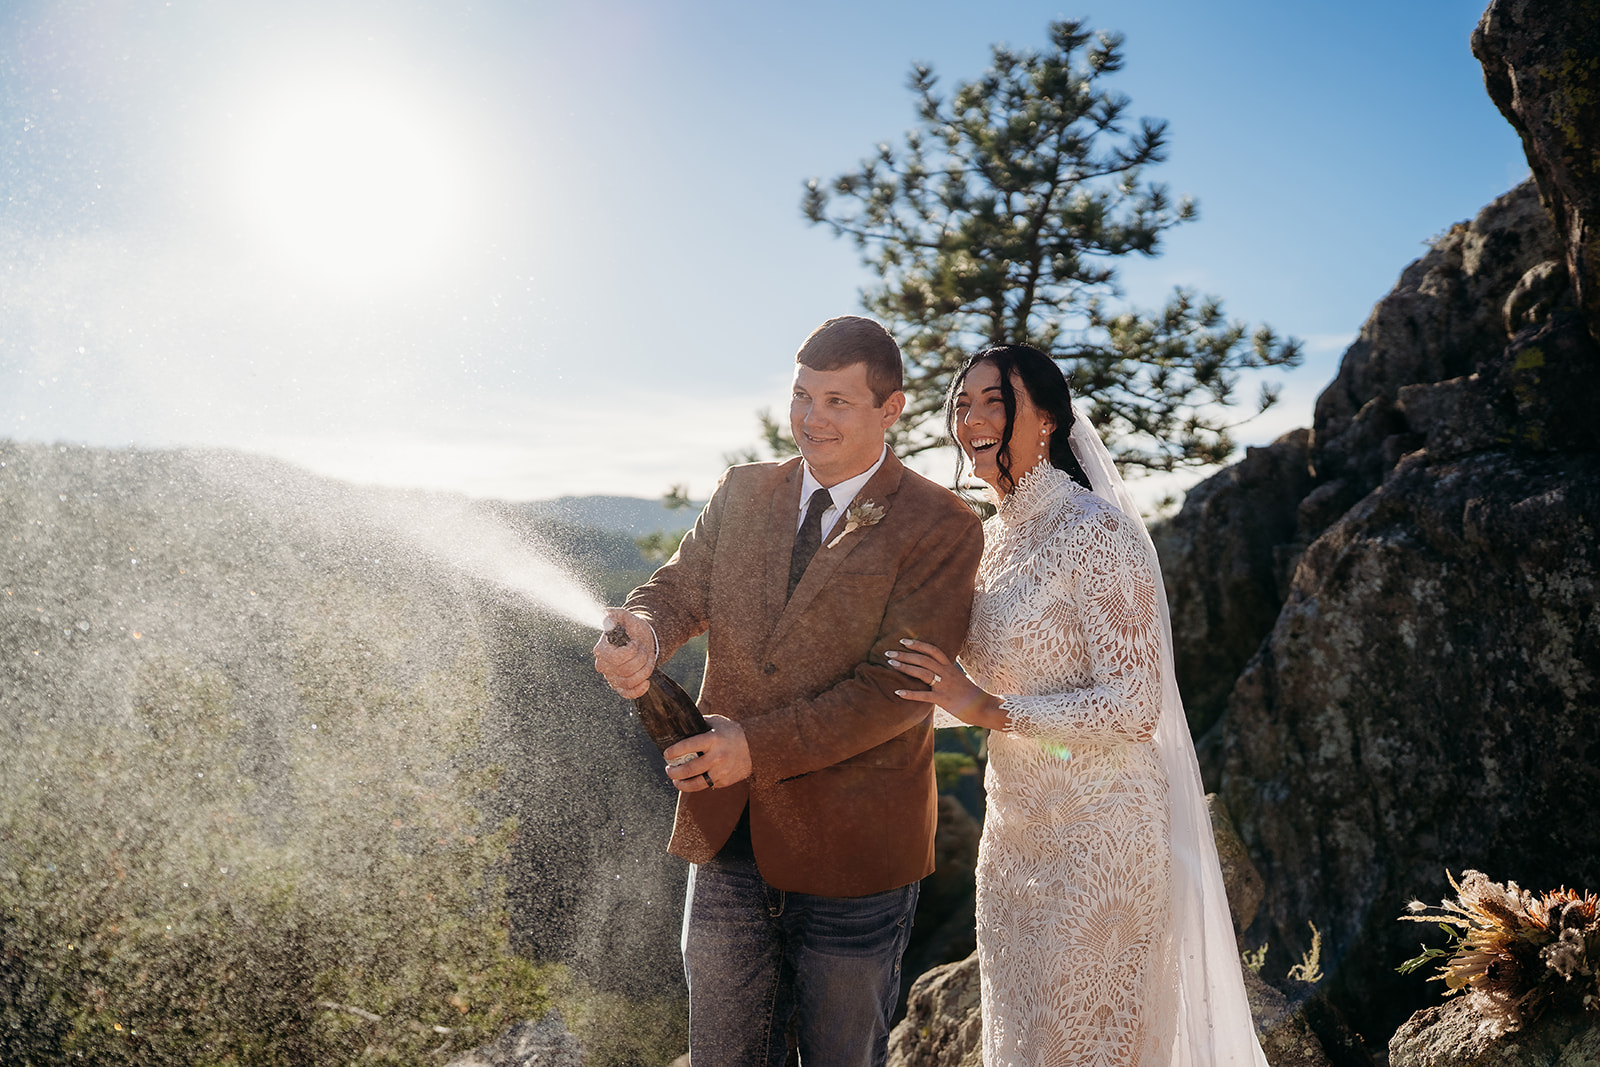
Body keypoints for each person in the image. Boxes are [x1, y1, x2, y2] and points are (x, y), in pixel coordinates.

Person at [593, 315, 984, 1067]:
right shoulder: (742, 491)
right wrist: (642, 628)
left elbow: (896, 689)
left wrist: (754, 746)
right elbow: (678, 588)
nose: (812, 418)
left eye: (838, 401)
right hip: (726, 836)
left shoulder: (942, 526)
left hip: (856, 857)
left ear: (891, 409)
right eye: (803, 395)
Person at [887, 344, 1269, 1067]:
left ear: (1050, 421)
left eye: (996, 400)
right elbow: (954, 691)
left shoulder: (1098, 531)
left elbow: (1134, 704)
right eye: (962, 403)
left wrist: (993, 709)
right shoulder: (987, 545)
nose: (972, 416)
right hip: (1012, 845)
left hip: (1104, 839)